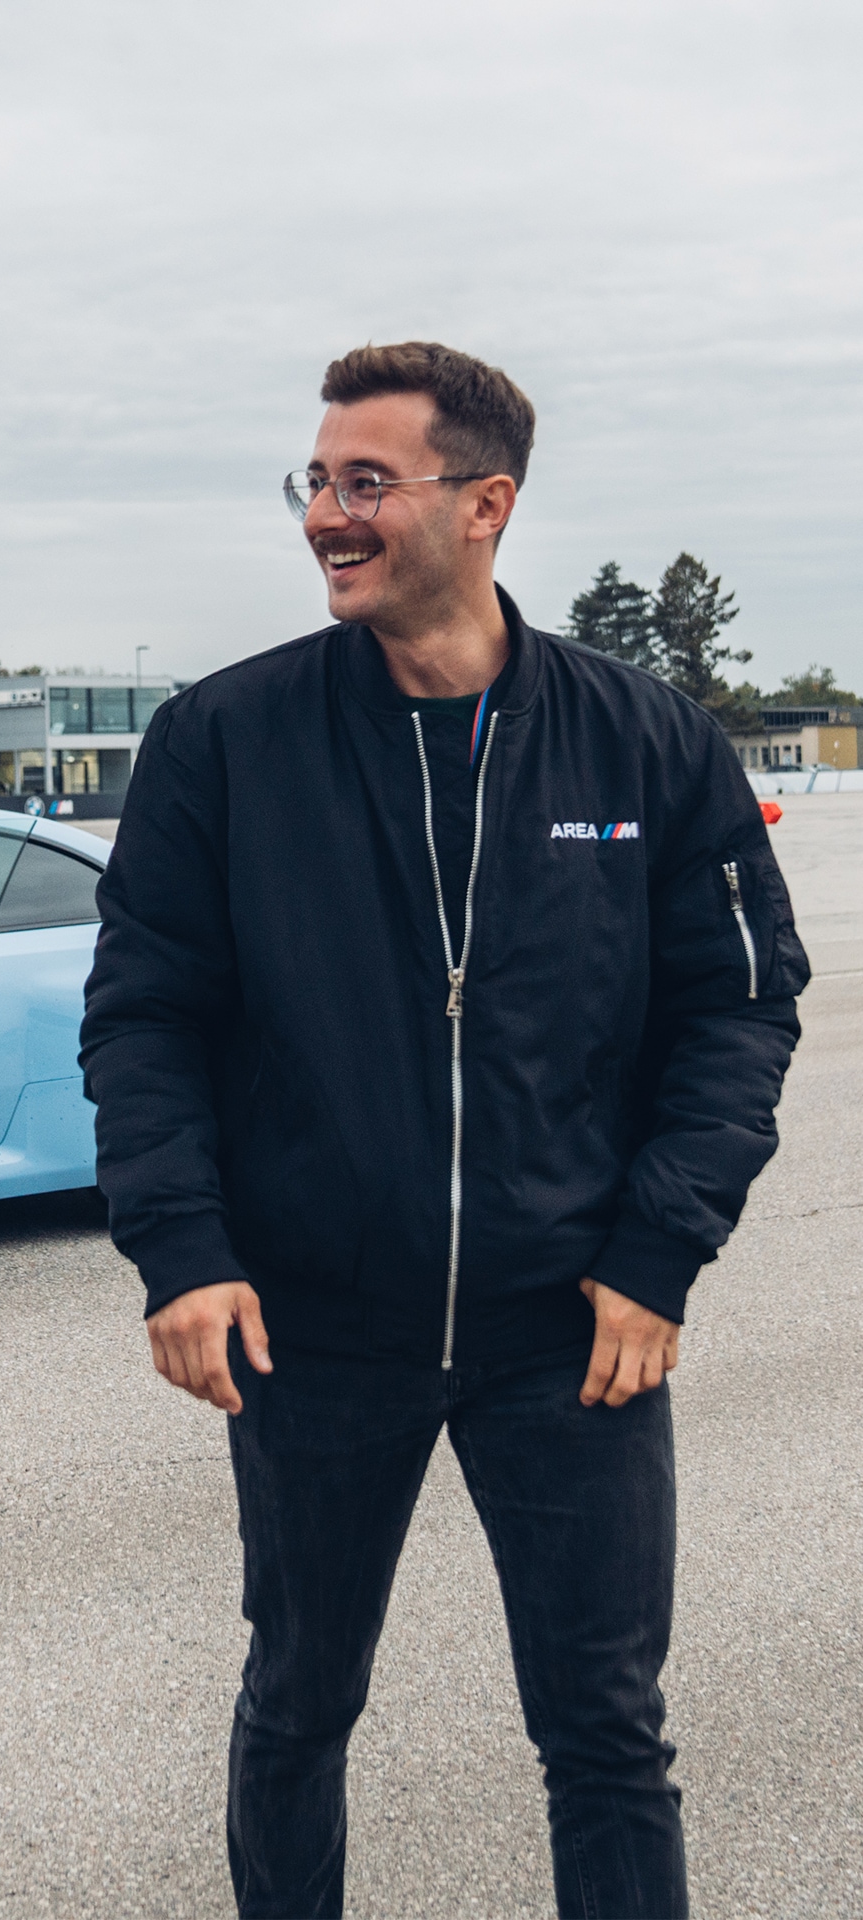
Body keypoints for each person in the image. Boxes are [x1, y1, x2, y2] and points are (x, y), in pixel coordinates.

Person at [79, 340, 807, 1919]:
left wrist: (655, 1254)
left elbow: (739, 1010)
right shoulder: (224, 740)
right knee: (296, 1707)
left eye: (364, 483)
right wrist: (183, 1253)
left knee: (606, 1732)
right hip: (313, 1331)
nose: (324, 516)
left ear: (484, 505)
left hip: (574, 1331)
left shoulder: (645, 740)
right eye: (314, 482)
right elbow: (143, 1019)